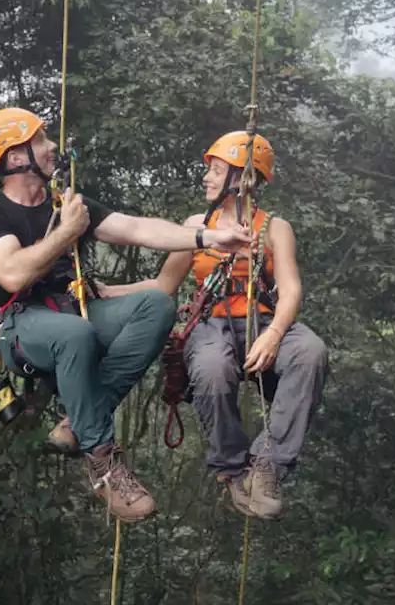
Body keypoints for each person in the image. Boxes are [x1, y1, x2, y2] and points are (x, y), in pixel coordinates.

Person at [0, 107, 253, 523]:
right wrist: (67, 232)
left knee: (155, 304)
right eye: (41, 141)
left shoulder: (63, 203)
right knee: (73, 334)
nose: (52, 149)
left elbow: (136, 229)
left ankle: (80, 420)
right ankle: (101, 461)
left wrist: (207, 237)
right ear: (15, 159)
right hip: (16, 327)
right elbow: (13, 275)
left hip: (68, 313)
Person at [98, 130, 329, 520]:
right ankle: (234, 471)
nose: (206, 177)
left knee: (311, 351)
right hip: (211, 324)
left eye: (217, 170)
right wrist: (105, 291)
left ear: (245, 179)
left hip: (262, 321)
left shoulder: (274, 228)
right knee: (210, 368)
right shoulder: (196, 225)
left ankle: (267, 466)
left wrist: (274, 335)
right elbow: (163, 286)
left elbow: (290, 291)